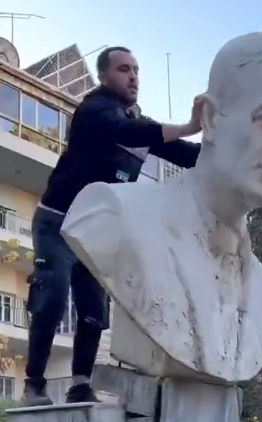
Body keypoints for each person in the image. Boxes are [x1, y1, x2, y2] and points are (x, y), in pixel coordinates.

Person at [22, 46, 202, 407]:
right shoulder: (93, 111)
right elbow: (126, 131)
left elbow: (185, 154)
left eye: (136, 69)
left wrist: (228, 146)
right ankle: (33, 384)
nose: (133, 76)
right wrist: (188, 125)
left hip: (94, 232)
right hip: (57, 221)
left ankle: (80, 384)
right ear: (104, 76)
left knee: (93, 310)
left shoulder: (139, 122)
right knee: (53, 295)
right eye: (124, 69)